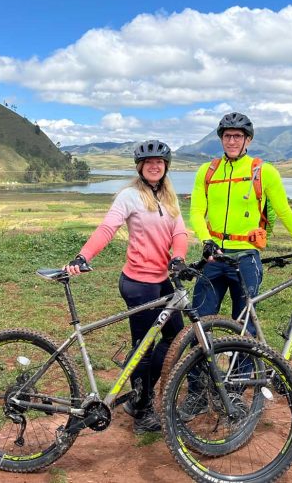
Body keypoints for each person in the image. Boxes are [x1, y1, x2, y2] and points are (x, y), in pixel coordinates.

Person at [65, 139, 188, 434]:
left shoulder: (169, 199)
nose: (155, 166)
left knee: (175, 335)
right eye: (149, 163)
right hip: (137, 283)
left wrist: (179, 258)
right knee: (143, 348)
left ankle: (140, 393)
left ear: (166, 167)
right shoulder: (130, 196)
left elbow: (180, 231)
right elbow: (108, 227)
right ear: (141, 168)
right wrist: (84, 256)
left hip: (162, 280)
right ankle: (141, 407)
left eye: (159, 163)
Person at [190, 112, 292, 335]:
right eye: (227, 136)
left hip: (246, 257)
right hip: (214, 255)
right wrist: (206, 240)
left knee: (245, 324)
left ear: (248, 139)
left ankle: (245, 370)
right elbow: (196, 212)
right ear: (221, 138)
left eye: (238, 136)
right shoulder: (207, 171)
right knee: (200, 320)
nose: (232, 141)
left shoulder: (264, 172)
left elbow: (283, 210)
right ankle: (197, 370)